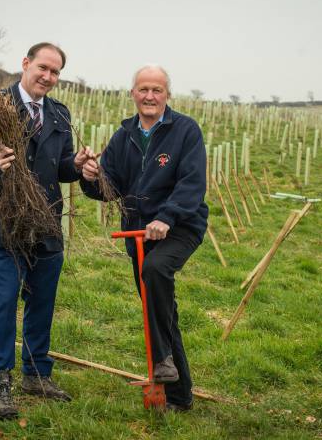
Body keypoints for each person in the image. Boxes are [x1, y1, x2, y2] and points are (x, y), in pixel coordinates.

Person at [0, 42, 93, 418]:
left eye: (55, 72)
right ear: (26, 63)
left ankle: (37, 372)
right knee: (4, 302)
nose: (48, 77)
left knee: (42, 302)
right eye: (43, 68)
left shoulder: (58, 113)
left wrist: (77, 163)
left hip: (48, 225)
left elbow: (61, 168)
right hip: (4, 225)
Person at [80, 64, 208, 412]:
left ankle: (163, 358)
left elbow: (192, 184)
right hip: (138, 230)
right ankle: (179, 396)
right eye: (143, 89)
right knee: (158, 305)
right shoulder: (124, 136)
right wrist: (92, 176)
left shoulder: (186, 131)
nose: (150, 96)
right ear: (133, 93)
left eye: (157, 90)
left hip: (180, 226)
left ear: (167, 95)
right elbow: (111, 188)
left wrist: (167, 218)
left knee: (155, 271)